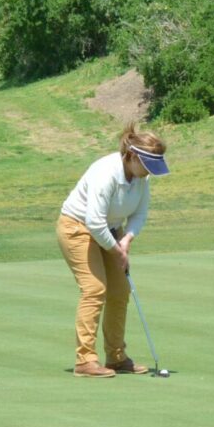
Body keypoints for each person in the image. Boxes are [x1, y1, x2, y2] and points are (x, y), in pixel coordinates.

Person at [57, 125, 169, 377]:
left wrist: (127, 240)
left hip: (110, 230)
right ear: (132, 156)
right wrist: (117, 250)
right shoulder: (106, 173)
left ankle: (116, 357)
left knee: (120, 290)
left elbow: (140, 213)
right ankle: (85, 360)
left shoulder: (141, 178)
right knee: (94, 288)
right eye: (147, 165)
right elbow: (94, 221)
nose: (149, 172)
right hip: (77, 227)